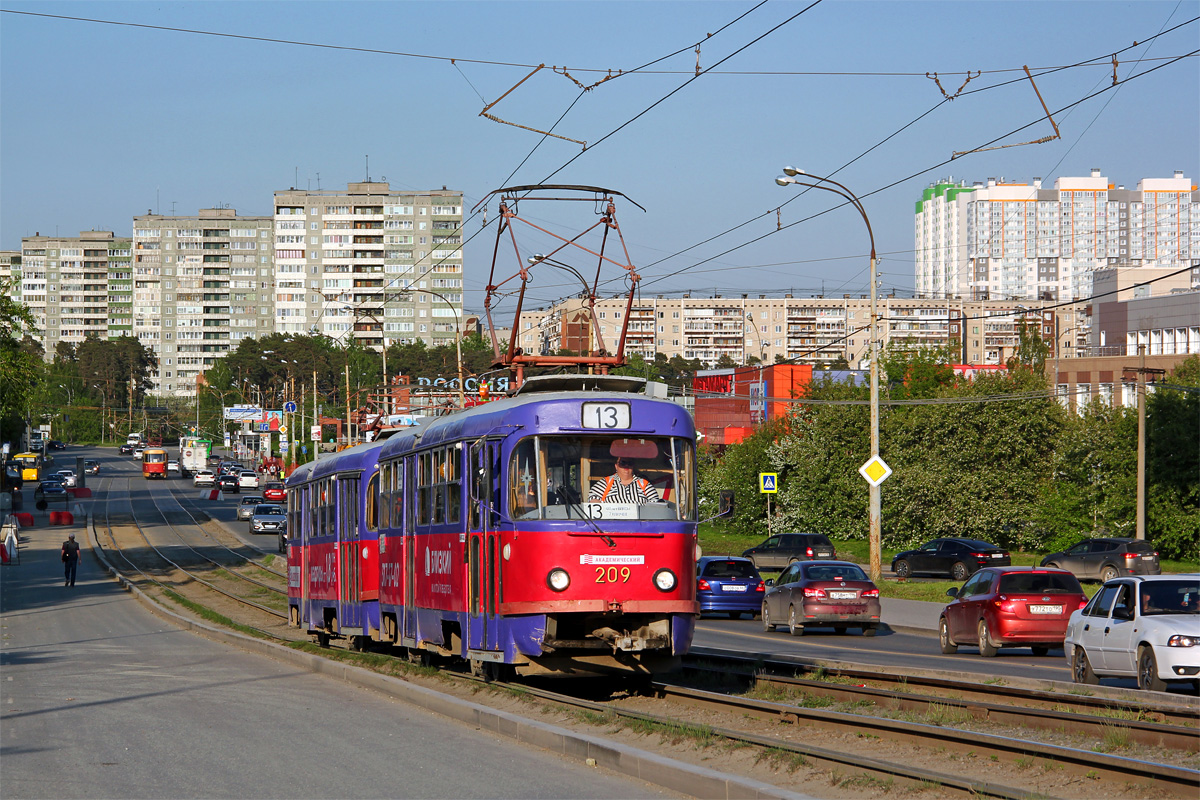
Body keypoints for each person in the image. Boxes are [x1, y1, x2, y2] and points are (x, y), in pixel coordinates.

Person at [589, 457, 660, 504]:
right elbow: (593, 498)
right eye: (623, 463)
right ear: (616, 466)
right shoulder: (605, 482)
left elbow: (655, 503)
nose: (626, 466)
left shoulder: (644, 484)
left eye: (630, 463)